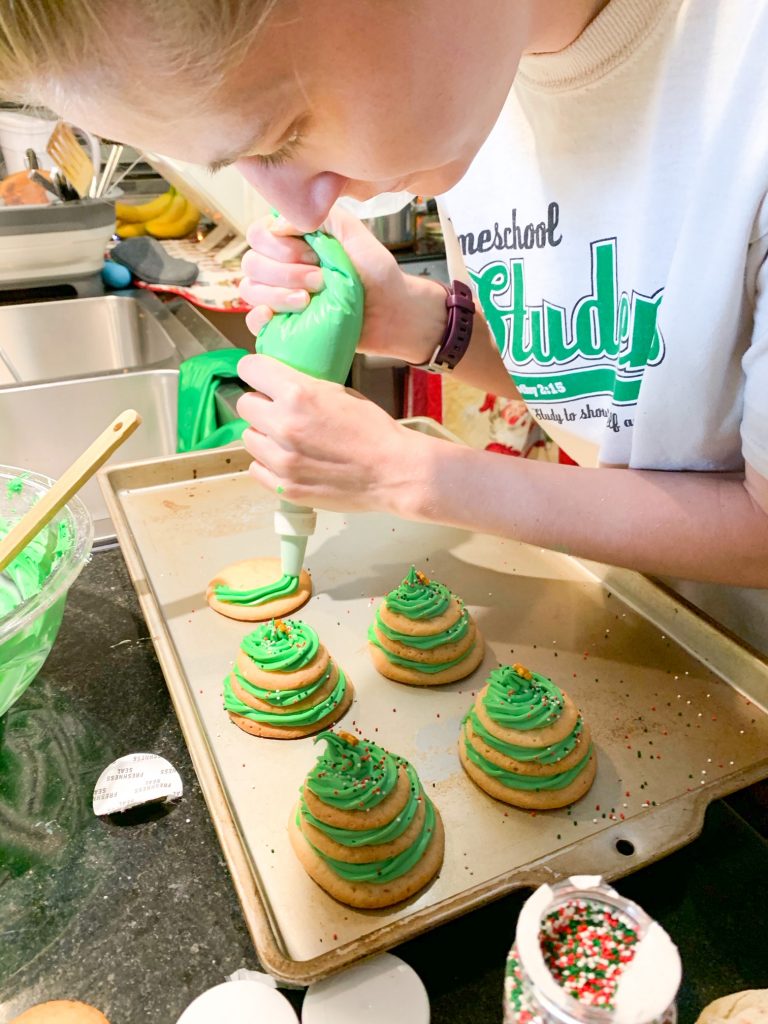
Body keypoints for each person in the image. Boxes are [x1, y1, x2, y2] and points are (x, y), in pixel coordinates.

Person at [2, 0, 767, 587]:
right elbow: (629, 388)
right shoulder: (482, 73)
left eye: (278, 136)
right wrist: (421, 321)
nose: (296, 209)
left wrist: (408, 473)